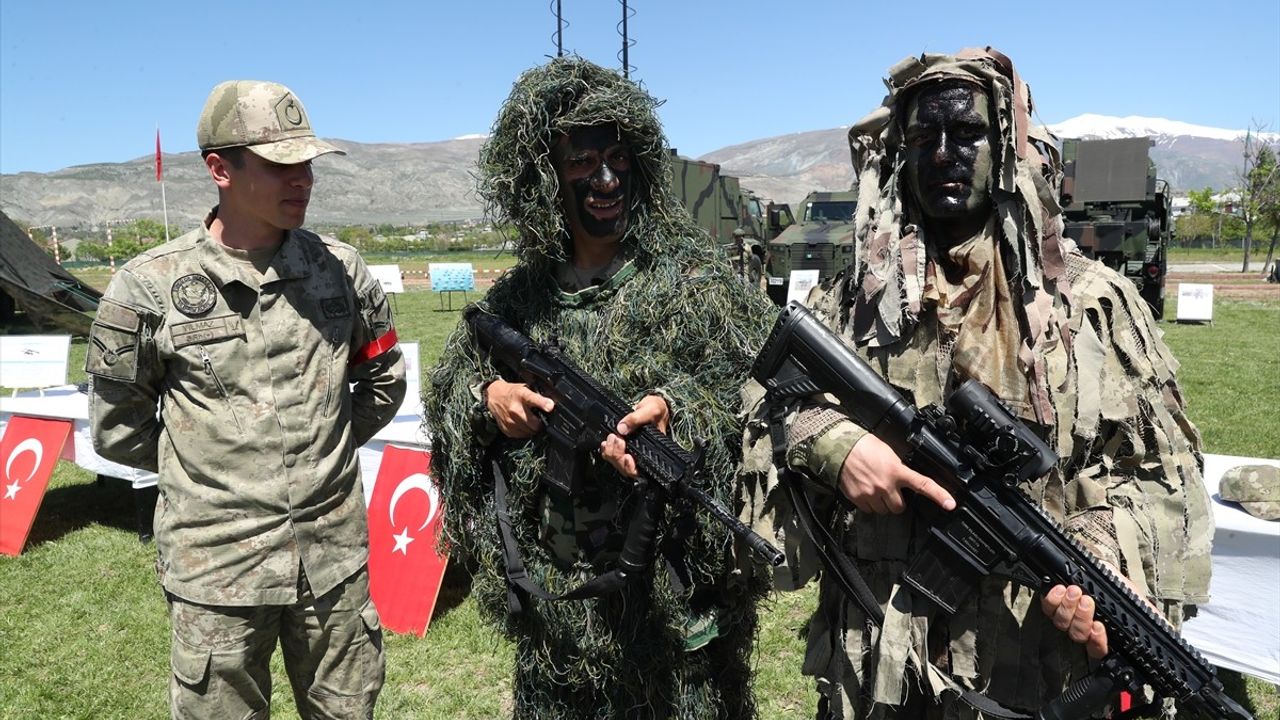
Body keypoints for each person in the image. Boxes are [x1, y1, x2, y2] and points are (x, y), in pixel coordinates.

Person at [739, 49, 1213, 719]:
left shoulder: (1090, 305)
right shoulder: (855, 303)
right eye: (923, 136)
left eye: (967, 134)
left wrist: (1102, 556)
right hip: (879, 660)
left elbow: (1166, 477)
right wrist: (834, 445)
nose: (942, 153)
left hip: (1033, 665)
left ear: (1007, 147)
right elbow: (764, 407)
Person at [425, 57, 775, 719]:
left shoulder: (692, 284)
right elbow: (447, 390)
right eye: (584, 162)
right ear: (544, 178)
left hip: (676, 626)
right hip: (558, 623)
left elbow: (753, 391)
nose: (606, 179)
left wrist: (675, 410)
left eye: (618, 157)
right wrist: (487, 399)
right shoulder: (521, 298)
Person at [87, 80, 405, 719]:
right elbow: (117, 427)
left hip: (331, 563)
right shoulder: (147, 288)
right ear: (219, 169)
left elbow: (383, 380)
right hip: (217, 572)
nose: (303, 180)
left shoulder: (341, 270)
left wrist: (322, 449)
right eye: (280, 165)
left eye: (307, 164)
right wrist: (216, 475)